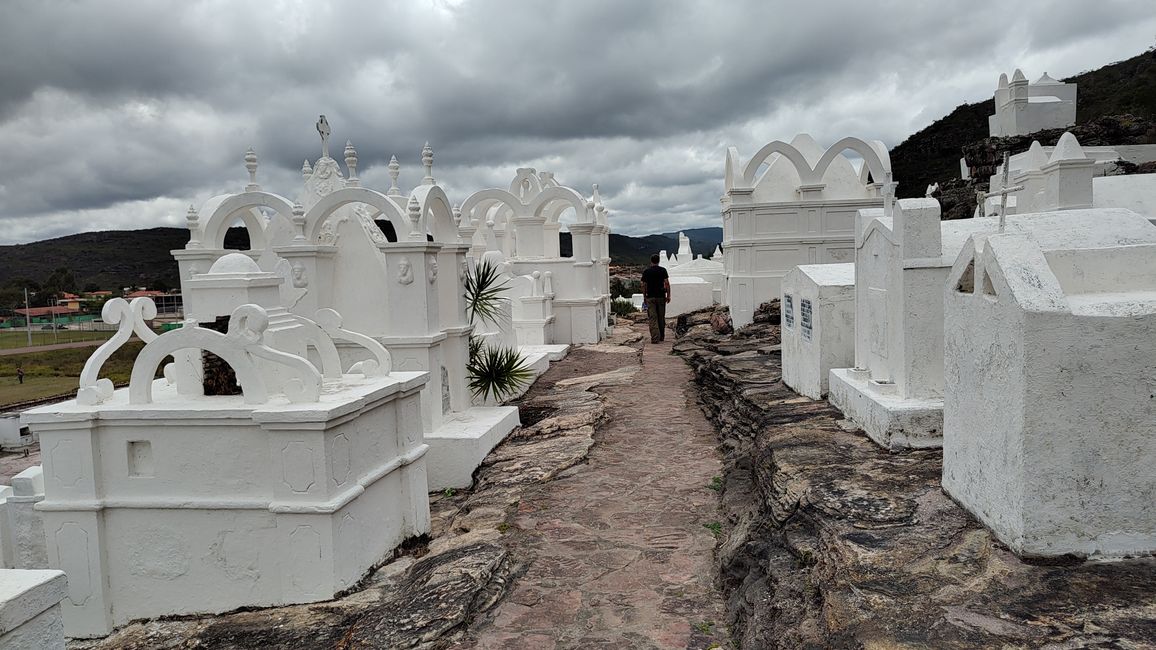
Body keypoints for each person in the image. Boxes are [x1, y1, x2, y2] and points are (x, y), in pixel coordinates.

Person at [640, 254, 671, 343]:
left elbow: (643, 285)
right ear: (658, 261)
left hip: (650, 297)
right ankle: (661, 336)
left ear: (651, 261)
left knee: (653, 318)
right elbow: (667, 283)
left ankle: (655, 338)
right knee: (661, 317)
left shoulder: (646, 271)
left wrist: (644, 296)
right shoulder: (663, 270)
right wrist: (668, 295)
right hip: (661, 296)